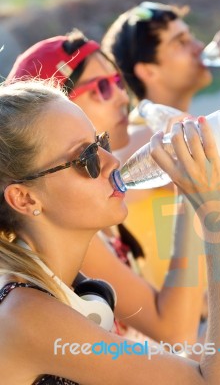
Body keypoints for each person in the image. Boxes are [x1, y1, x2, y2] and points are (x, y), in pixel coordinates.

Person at [0, 79, 220, 384]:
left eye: (101, 143)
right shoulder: (28, 316)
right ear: (25, 198)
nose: (113, 161)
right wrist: (217, 211)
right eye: (87, 159)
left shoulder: (60, 287)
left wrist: (192, 193)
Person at [6, 31, 205, 344]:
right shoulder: (62, 225)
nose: (123, 96)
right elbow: (175, 332)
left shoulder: (99, 189)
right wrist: (198, 202)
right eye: (101, 87)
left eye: (116, 80)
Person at [101, 0, 220, 286]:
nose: (199, 47)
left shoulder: (189, 128)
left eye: (191, 36)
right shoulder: (146, 138)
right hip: (190, 325)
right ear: (148, 71)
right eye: (180, 41)